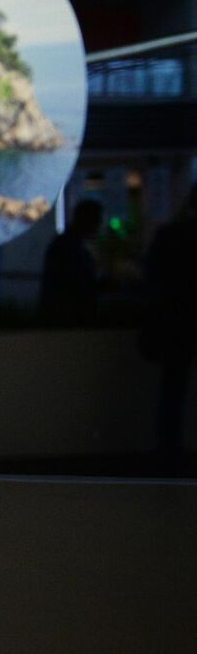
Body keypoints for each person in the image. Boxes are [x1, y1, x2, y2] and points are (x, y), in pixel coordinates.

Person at [144, 185, 197, 465]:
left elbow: (153, 277)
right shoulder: (175, 235)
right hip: (181, 321)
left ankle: (168, 445)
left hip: (176, 322)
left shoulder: (170, 235)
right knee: (174, 386)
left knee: (173, 387)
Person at [40, 198, 104, 324]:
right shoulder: (69, 247)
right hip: (68, 317)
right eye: (97, 220)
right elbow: (80, 283)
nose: (99, 225)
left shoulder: (67, 244)